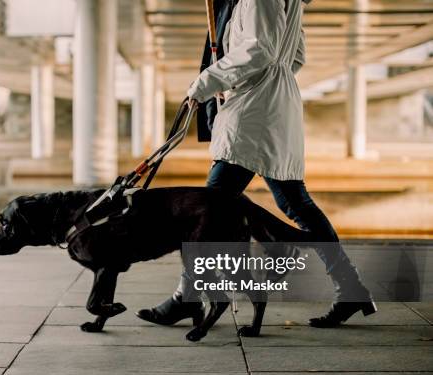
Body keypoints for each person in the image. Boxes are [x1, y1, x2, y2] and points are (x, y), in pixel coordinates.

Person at [135, 0, 376, 329]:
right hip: (271, 107)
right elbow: (294, 56)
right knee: (295, 203)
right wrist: (243, 81)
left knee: (207, 211)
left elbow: (259, 50)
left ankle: (187, 297)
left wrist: (208, 82)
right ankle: (350, 288)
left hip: (253, 115)